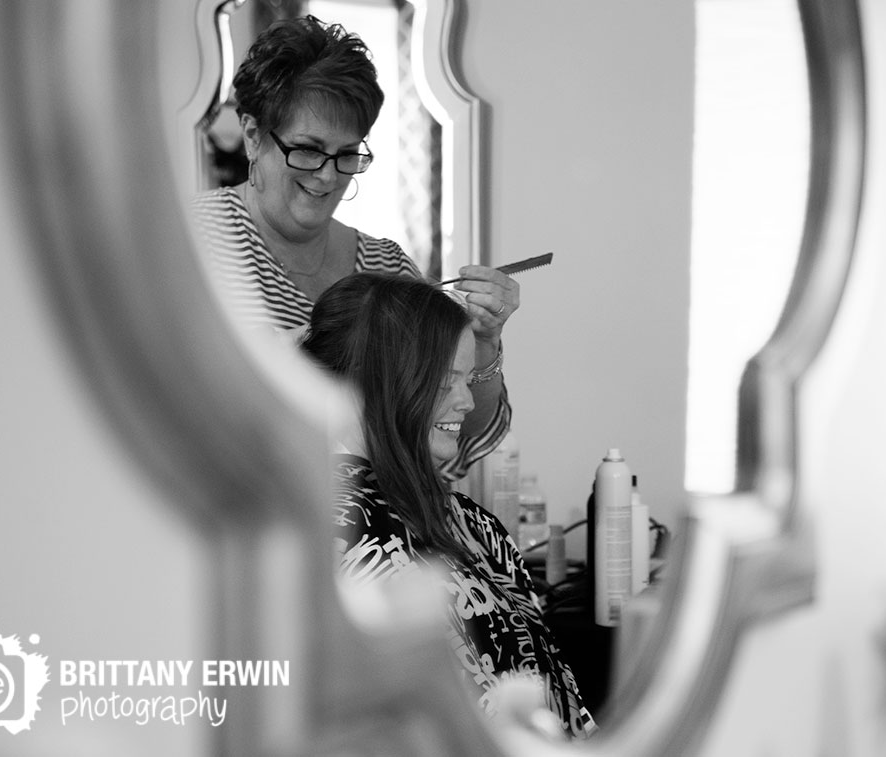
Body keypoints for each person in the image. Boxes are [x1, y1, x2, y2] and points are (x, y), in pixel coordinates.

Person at [191, 15, 516, 479]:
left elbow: (453, 432)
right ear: (252, 136)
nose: (327, 175)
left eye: (347, 154)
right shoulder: (196, 246)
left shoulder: (388, 267)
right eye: (306, 148)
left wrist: (484, 344)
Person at [301, 273, 596, 739]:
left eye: (468, 379)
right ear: (385, 380)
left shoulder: (477, 526)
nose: (465, 401)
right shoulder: (330, 537)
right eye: (447, 381)